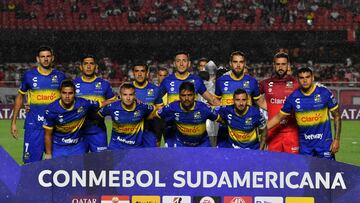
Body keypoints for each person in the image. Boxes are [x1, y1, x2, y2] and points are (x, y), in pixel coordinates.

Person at [267, 67, 341, 160]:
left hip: (324, 144)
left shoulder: (324, 93)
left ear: (312, 78)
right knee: (307, 173)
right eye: (301, 78)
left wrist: (336, 139)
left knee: (328, 173)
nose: (305, 80)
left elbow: (337, 116)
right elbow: (279, 117)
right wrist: (264, 128)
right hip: (305, 146)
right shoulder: (293, 97)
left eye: (307, 77)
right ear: (298, 80)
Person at [10, 46, 66, 163]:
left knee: (58, 164)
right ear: (38, 59)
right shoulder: (29, 76)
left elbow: (67, 99)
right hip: (34, 126)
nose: (45, 59)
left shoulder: (60, 77)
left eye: (48, 56)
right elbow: (20, 97)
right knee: (31, 164)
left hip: (55, 126)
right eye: (42, 57)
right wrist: (14, 122)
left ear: (52, 58)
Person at [158, 51, 220, 147]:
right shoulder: (167, 80)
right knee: (173, 159)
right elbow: (156, 99)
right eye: (178, 61)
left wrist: (229, 109)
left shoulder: (196, 80)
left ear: (189, 63)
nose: (181, 64)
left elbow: (211, 99)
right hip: (172, 126)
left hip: (191, 125)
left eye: (184, 61)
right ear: (174, 63)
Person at [43, 80, 114, 159]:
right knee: (59, 170)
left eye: (70, 93)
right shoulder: (51, 109)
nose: (67, 96)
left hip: (77, 147)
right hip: (59, 147)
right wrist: (48, 154)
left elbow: (101, 103)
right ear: (60, 93)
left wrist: (119, 99)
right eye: (64, 93)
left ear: (74, 94)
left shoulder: (82, 104)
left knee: (79, 170)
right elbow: (47, 134)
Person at [214, 51, 265, 147]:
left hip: (245, 126)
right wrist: (222, 114)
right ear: (230, 63)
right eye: (235, 62)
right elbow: (215, 100)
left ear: (244, 64)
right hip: (225, 127)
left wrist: (277, 112)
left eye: (241, 62)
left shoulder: (252, 81)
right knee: (223, 159)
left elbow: (260, 102)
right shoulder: (221, 81)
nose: (238, 65)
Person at [73, 54, 116, 153]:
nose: (88, 66)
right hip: (78, 132)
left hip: (98, 131)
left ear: (96, 66)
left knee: (101, 164)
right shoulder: (73, 84)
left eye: (91, 64)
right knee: (77, 164)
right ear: (81, 67)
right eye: (86, 64)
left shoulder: (104, 84)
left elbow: (113, 103)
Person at [156, 82, 220, 147]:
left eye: (189, 95)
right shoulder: (172, 107)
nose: (186, 98)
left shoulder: (204, 108)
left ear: (194, 95)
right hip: (181, 144)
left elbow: (221, 119)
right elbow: (155, 116)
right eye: (183, 95)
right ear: (179, 96)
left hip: (202, 144)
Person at [259, 52, 300, 153]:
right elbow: (253, 96)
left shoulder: (297, 84)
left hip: (291, 132)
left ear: (288, 65)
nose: (280, 67)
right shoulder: (265, 83)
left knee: (293, 165)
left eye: (283, 64)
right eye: (278, 64)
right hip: (273, 132)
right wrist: (267, 106)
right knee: (275, 166)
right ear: (274, 65)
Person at [98, 83, 156, 149]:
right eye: (125, 94)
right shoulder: (112, 107)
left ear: (134, 95)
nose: (128, 98)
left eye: (131, 95)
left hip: (136, 147)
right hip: (116, 146)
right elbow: (99, 114)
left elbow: (155, 110)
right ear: (120, 95)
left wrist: (147, 120)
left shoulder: (142, 107)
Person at [132, 63, 162, 147]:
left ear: (147, 73)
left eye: (142, 71)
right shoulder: (127, 89)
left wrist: (150, 113)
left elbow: (160, 109)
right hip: (132, 132)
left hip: (150, 130)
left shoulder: (155, 89)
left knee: (151, 157)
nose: (139, 74)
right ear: (133, 73)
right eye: (137, 71)